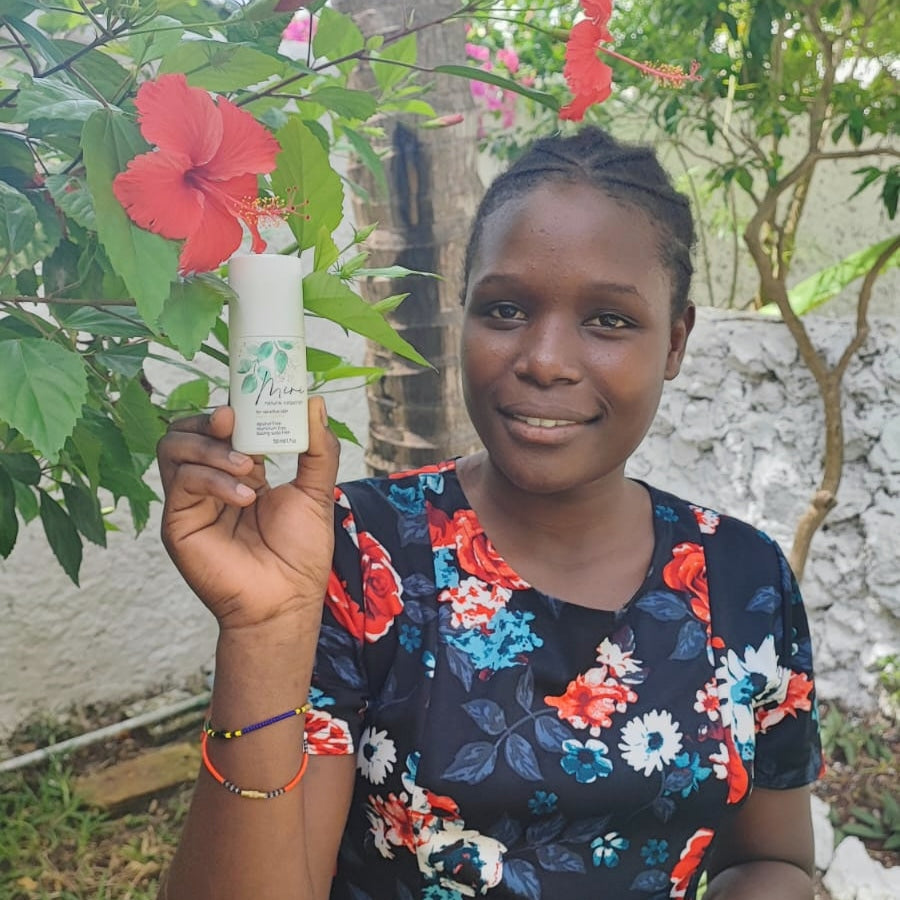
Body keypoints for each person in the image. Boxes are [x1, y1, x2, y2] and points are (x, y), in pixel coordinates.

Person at [156, 126, 822, 900]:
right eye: (505, 309)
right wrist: (263, 632)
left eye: (608, 320)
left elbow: (771, 860)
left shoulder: (745, 581)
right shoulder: (358, 557)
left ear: (675, 341)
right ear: (463, 313)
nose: (543, 359)